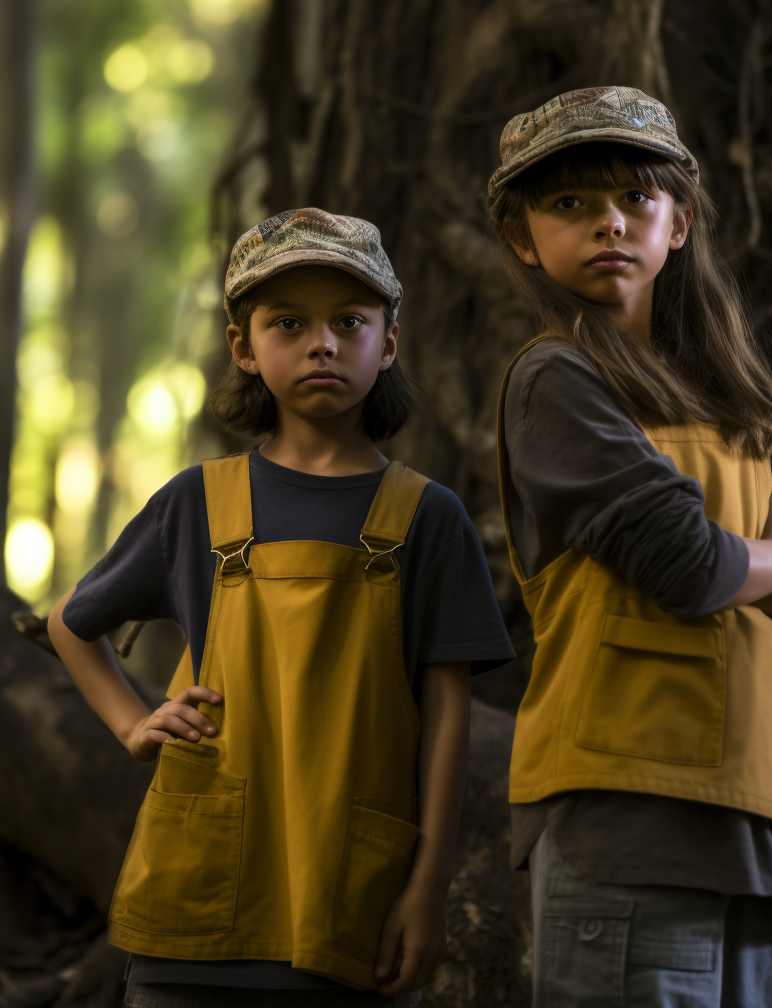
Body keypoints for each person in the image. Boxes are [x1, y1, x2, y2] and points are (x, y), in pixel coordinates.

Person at [47, 208, 515, 1008]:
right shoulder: (200, 501)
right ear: (244, 347)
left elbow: (446, 717)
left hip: (349, 906)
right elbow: (69, 620)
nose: (322, 343)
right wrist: (134, 724)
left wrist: (428, 887)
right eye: (289, 323)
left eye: (350, 322)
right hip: (195, 907)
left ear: (388, 343)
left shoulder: (426, 517)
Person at [487, 88, 772, 1007]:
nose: (608, 222)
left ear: (678, 222)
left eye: (634, 200)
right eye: (570, 205)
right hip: (626, 812)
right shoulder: (556, 380)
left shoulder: (736, 404)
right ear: (525, 239)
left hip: (753, 823)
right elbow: (691, 567)